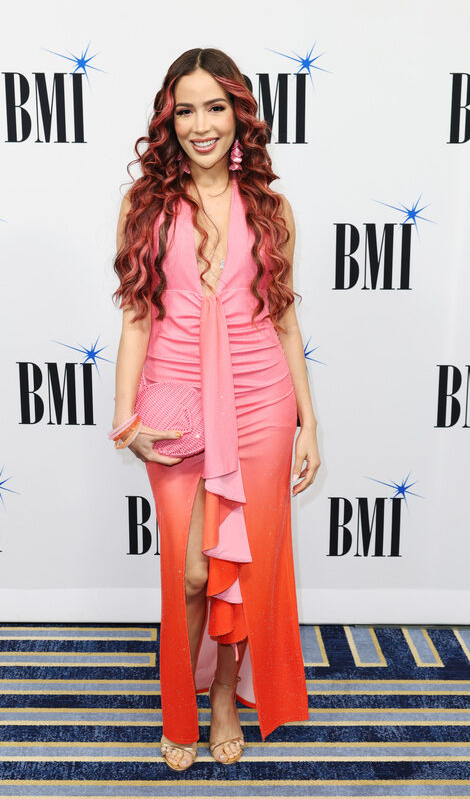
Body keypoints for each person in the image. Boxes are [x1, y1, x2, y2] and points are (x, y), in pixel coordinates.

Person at [111, 48, 321, 771]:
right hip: (178, 407)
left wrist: (309, 422)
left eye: (216, 107)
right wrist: (126, 421)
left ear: (240, 115)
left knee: (246, 566)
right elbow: (137, 317)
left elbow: (285, 318)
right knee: (193, 572)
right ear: (170, 118)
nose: (202, 124)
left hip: (263, 400)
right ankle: (179, 706)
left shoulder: (271, 207)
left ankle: (226, 696)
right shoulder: (146, 206)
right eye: (187, 109)